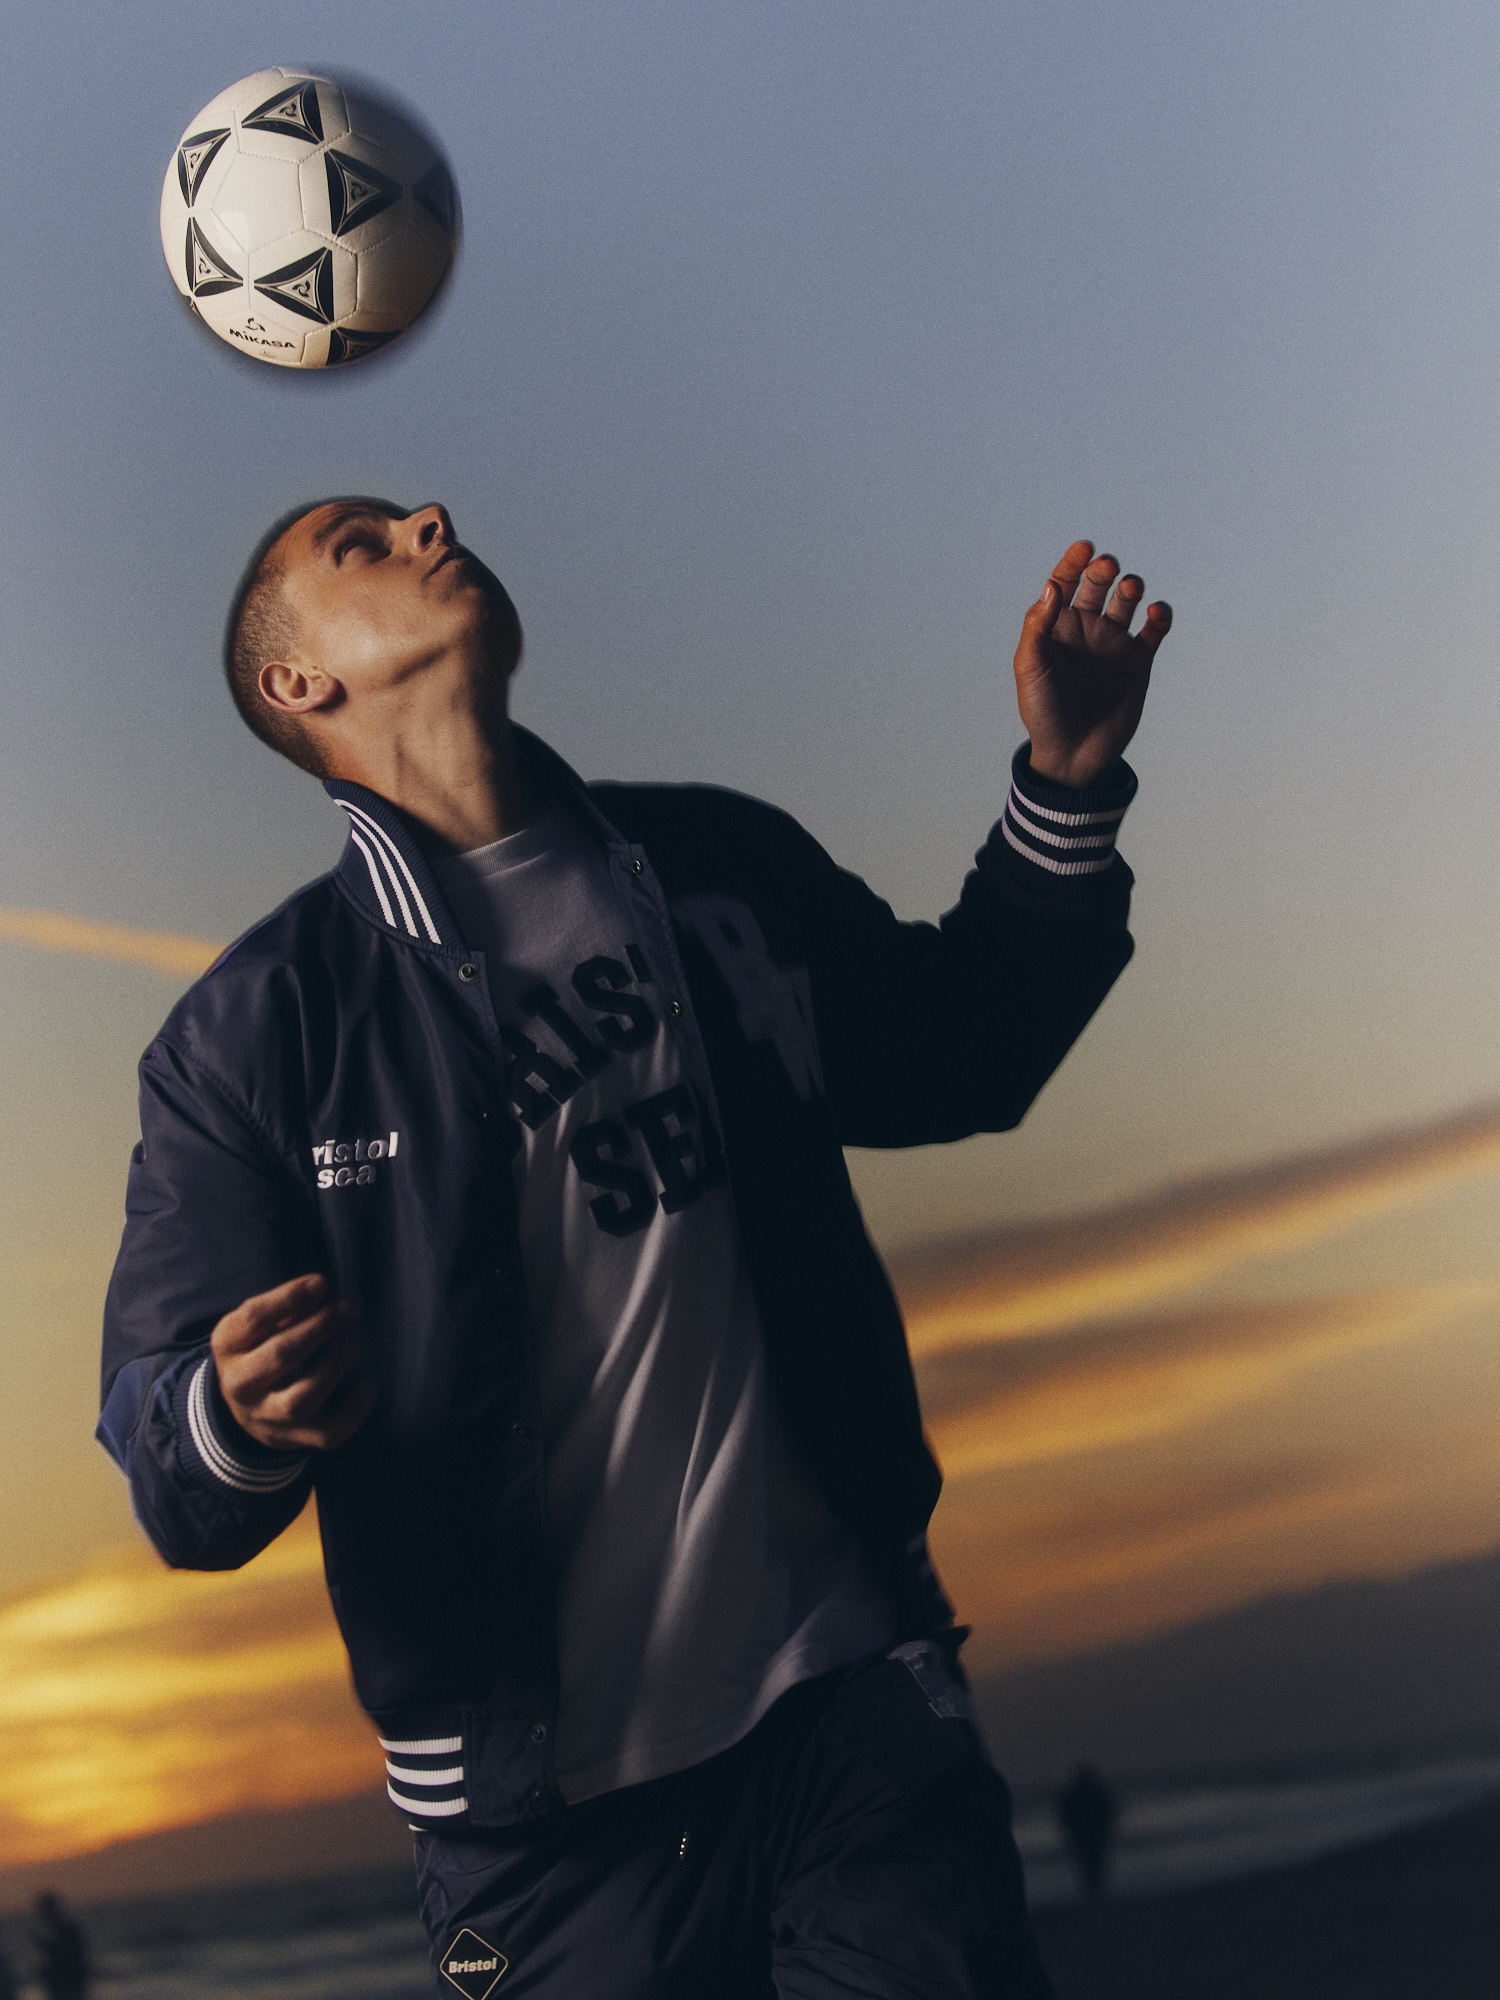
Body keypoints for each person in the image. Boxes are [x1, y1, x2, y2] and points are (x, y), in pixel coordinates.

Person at [99, 498, 1170, 1997]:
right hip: (542, 1831)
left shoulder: (721, 861)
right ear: (299, 684)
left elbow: (959, 1049)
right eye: (360, 543)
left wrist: (1068, 780)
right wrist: (231, 1411)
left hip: (848, 1702)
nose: (427, 518)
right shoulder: (253, 1037)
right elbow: (169, 1465)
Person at [1057, 1764, 1118, 1901]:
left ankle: (1093, 1893)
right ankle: (1095, 1892)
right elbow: (1109, 1811)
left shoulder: (1075, 1795)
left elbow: (1064, 1815)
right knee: (1094, 1864)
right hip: (1091, 1836)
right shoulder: (1096, 1792)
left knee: (1087, 1865)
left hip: (1085, 1836)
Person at [32, 1893, 88, 2000]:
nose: (43, 1916)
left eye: (45, 1912)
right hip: (65, 1988)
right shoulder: (64, 1932)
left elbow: (68, 1961)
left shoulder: (67, 1933)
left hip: (68, 1988)